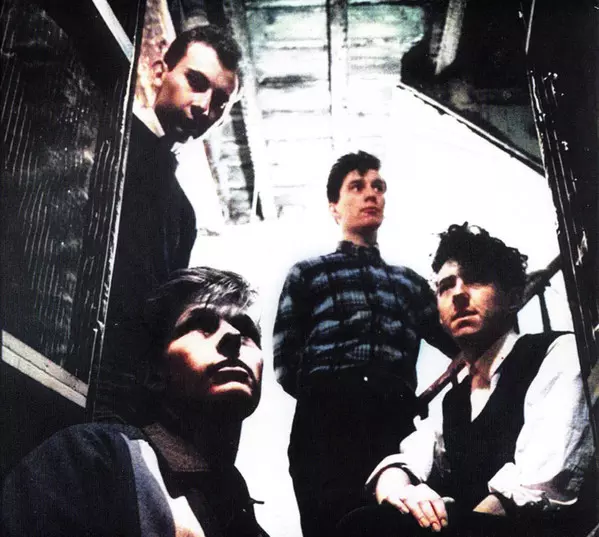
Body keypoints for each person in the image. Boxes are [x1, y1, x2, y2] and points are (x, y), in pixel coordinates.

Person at [350, 223, 594, 536]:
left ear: (512, 297)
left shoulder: (556, 353)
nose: (459, 295)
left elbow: (541, 487)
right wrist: (403, 493)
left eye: (476, 280)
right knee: (362, 521)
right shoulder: (454, 402)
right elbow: (405, 461)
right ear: (439, 315)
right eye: (445, 287)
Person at [2, 267, 269, 537]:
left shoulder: (241, 515)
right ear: (154, 373)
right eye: (201, 325)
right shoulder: (90, 459)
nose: (234, 337)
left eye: (247, 331)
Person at [272, 151, 458, 537]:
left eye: (378, 187)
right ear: (334, 207)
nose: (371, 194)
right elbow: (285, 361)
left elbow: (460, 343)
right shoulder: (309, 273)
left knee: (396, 523)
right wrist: (328, 399)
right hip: (324, 422)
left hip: (393, 421)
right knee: (331, 525)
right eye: (356, 187)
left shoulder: (409, 283)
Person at [94, 25, 242, 421]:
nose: (204, 106)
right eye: (196, 82)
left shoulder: (183, 215)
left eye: (220, 101)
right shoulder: (104, 132)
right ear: (160, 72)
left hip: (120, 389)